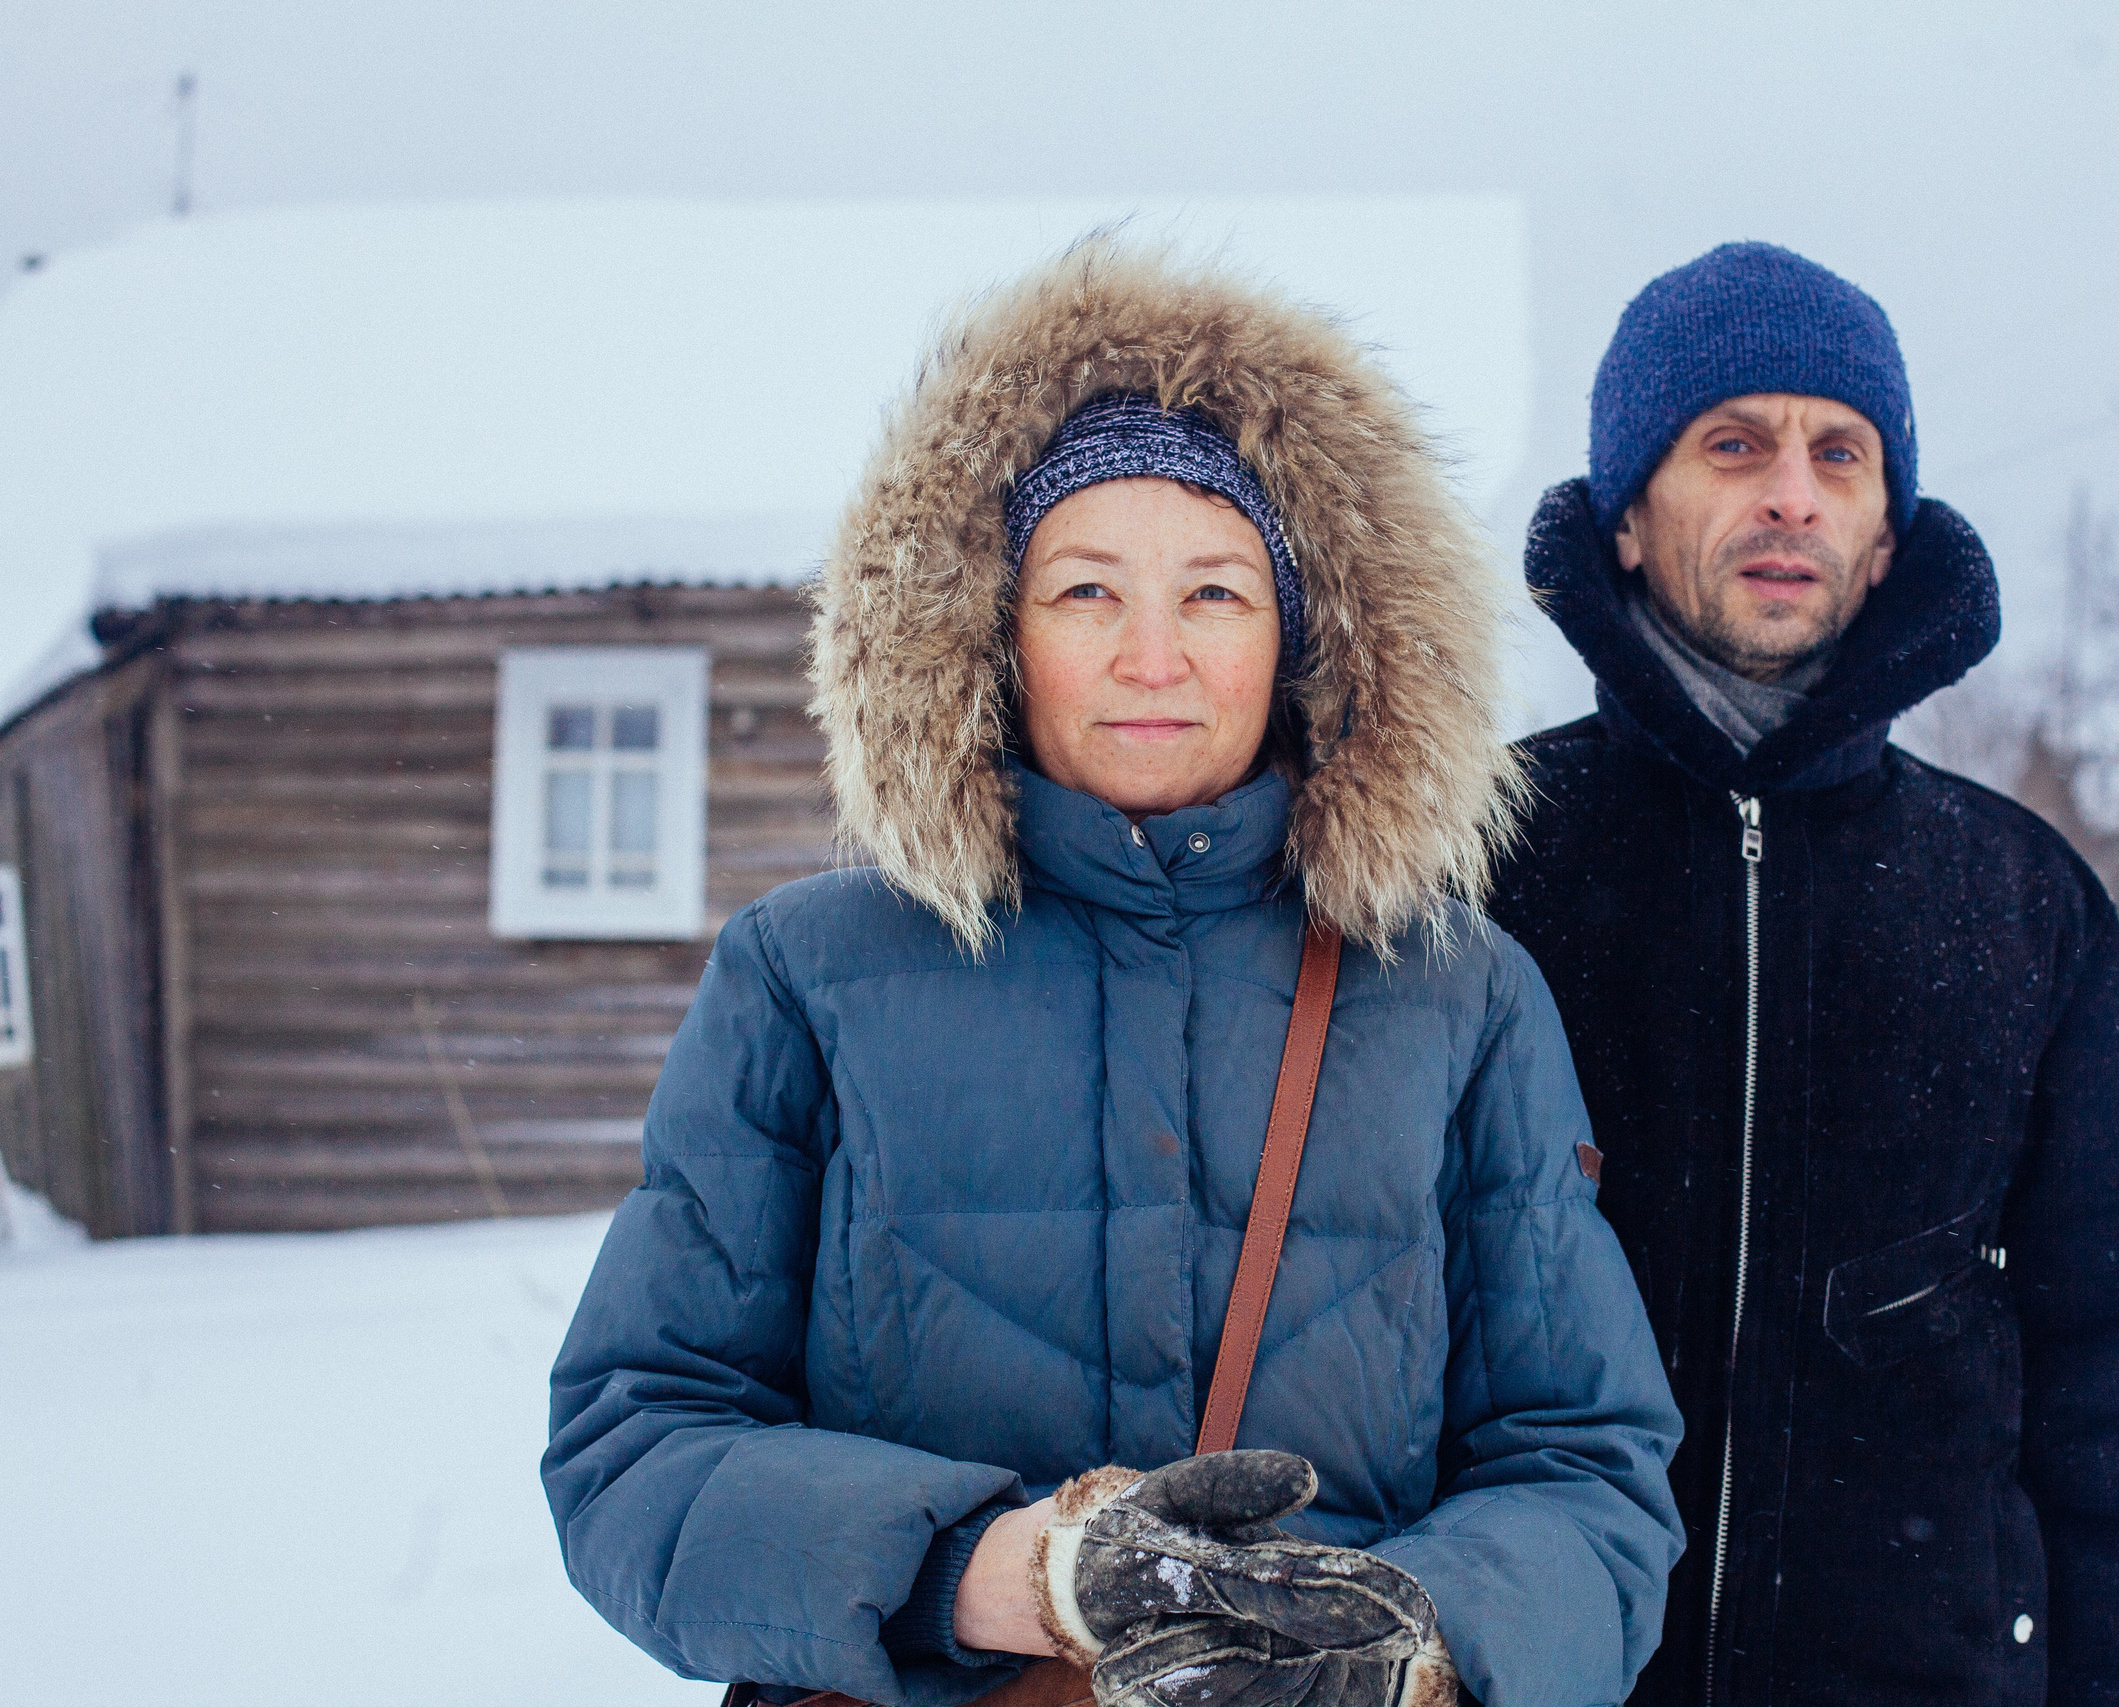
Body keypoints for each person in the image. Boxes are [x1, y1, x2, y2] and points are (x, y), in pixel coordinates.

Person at [542, 241, 1683, 1707]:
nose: (1154, 656)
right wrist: (1007, 1572)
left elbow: (1585, 1465)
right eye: (1086, 591)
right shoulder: (809, 978)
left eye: (1215, 594)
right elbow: (637, 1444)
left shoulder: (1457, 995)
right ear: (993, 631)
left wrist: (1416, 1634)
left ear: (1306, 640)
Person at [1484, 243, 2119, 1706]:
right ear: (1629, 521)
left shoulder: (2022, 904)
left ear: (1889, 533)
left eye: (1840, 454)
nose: (1793, 494)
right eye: (1733, 444)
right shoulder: (1475, 872)